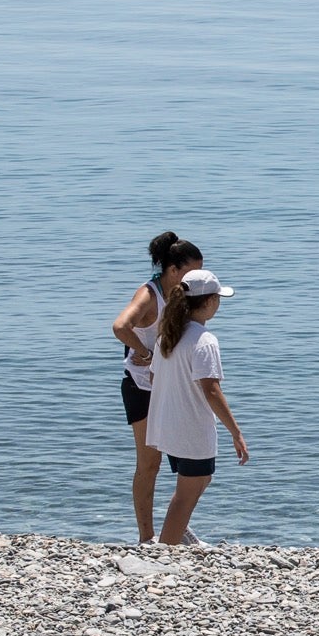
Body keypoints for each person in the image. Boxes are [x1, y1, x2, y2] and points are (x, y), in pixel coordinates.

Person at [110, 231, 204, 543]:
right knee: (150, 463)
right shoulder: (149, 295)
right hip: (143, 390)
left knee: (188, 459)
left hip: (172, 388)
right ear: (173, 270)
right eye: (191, 272)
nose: (197, 278)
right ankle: (146, 537)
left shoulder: (184, 295)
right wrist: (143, 352)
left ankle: (177, 527)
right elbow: (120, 326)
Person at [145, 269, 249, 546]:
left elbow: (155, 377)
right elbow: (211, 390)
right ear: (208, 302)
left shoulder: (168, 335)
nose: (219, 304)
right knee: (187, 493)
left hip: (168, 424)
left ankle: (179, 533)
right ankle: (166, 549)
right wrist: (236, 432)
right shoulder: (204, 340)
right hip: (190, 428)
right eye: (218, 298)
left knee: (199, 481)